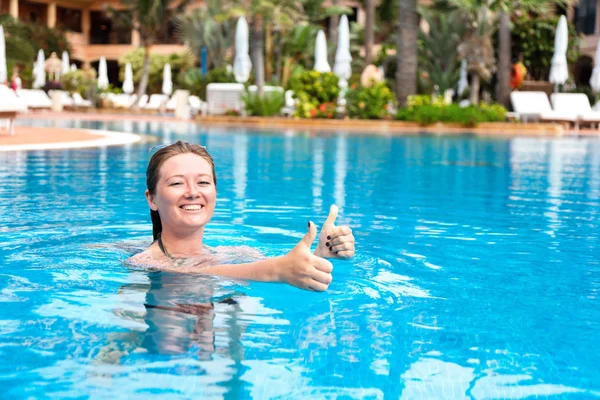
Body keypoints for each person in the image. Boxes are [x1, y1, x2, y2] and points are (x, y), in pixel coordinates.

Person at [127, 141, 356, 292]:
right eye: (177, 183)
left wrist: (319, 258)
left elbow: (286, 276)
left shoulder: (239, 254)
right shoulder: (144, 263)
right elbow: (188, 273)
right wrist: (279, 269)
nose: (193, 192)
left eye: (203, 182)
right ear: (152, 199)